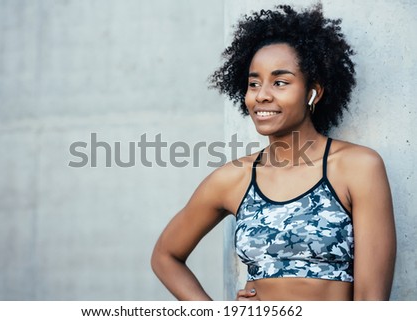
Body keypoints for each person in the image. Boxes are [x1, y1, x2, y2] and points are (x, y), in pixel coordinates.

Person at [151, 3, 396, 301]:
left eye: (280, 82)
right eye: (254, 83)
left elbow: (372, 300)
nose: (262, 95)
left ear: (313, 92)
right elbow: (166, 255)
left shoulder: (358, 167)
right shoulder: (234, 179)